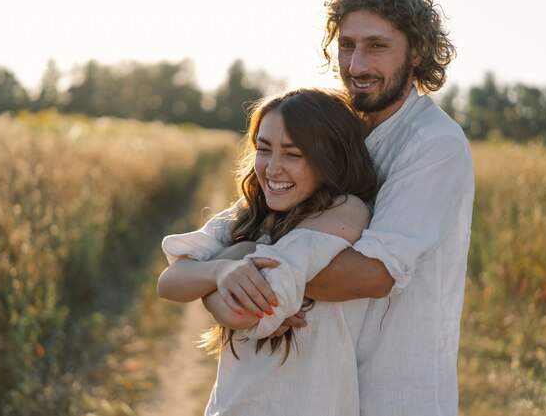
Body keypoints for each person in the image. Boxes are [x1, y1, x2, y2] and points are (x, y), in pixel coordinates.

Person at [163, 0, 475, 415]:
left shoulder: (435, 144)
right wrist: (222, 271)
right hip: (310, 388)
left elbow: (373, 273)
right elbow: (224, 250)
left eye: (377, 46)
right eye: (347, 45)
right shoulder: (329, 128)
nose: (357, 65)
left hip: (396, 389)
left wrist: (237, 263)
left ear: (416, 51)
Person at [157, 88, 379, 415]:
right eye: (264, 149)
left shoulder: (346, 210)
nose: (273, 169)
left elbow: (242, 313)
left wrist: (227, 264)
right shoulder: (249, 212)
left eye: (293, 154)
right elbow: (170, 281)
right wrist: (222, 270)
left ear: (330, 158)